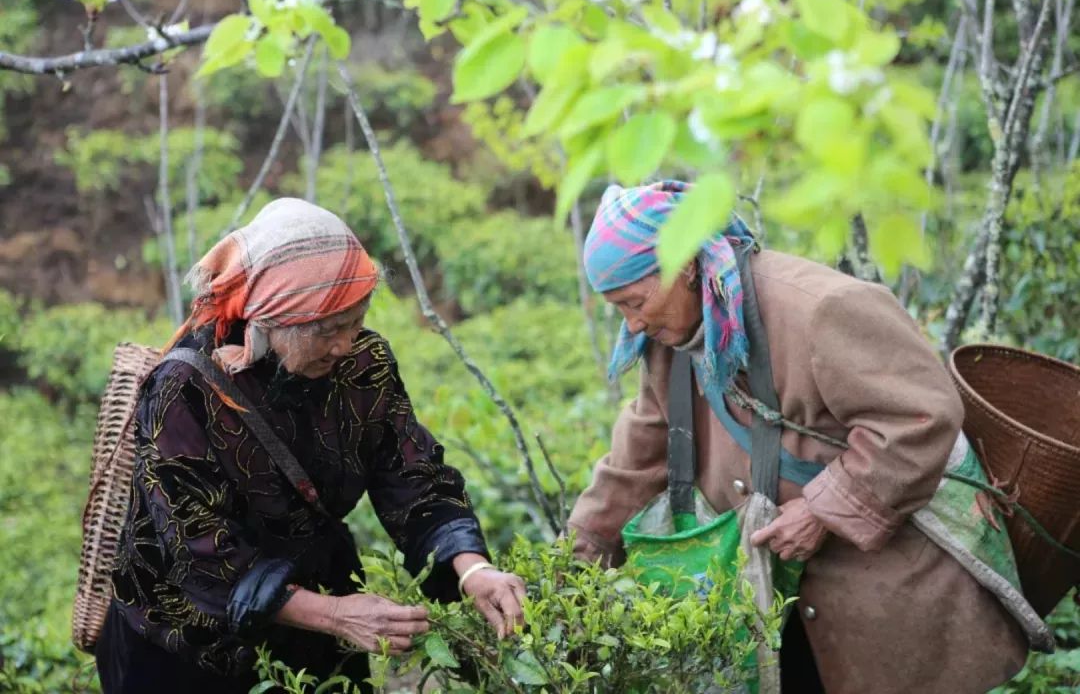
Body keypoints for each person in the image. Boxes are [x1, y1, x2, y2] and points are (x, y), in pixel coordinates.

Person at [567, 181, 1034, 694]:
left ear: (683, 264)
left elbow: (920, 418)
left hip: (883, 596)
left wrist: (823, 511)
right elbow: (640, 450)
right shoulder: (667, 332)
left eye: (634, 302)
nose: (631, 323)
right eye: (619, 309)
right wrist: (579, 559)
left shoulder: (822, 309)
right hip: (777, 603)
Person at [96, 198, 526, 693]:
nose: (344, 344)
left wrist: (473, 569)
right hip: (188, 646)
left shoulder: (364, 363)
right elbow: (199, 552)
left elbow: (413, 476)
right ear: (271, 319)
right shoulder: (185, 389)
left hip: (313, 620)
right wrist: (336, 615)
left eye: (355, 321)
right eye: (326, 329)